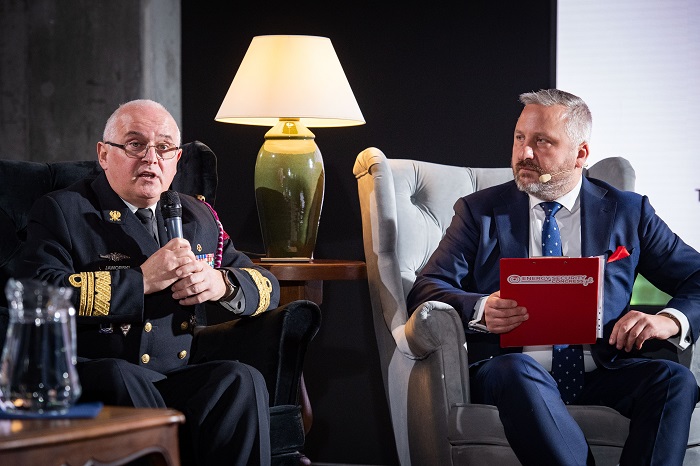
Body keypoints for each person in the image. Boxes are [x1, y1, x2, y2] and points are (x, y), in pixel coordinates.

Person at [406, 89, 700, 465]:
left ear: (580, 153)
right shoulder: (480, 211)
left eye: (542, 141)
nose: (524, 153)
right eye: (520, 138)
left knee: (675, 380)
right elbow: (427, 288)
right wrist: (481, 309)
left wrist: (669, 319)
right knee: (518, 370)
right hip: (511, 371)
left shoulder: (628, 211)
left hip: (602, 368)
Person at [19, 99, 280, 465]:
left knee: (240, 379)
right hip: (95, 372)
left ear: (176, 159)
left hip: (172, 374)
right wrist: (141, 280)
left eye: (164, 147)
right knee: (122, 375)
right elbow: (40, 293)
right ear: (104, 154)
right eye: (135, 144)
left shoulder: (198, 215)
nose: (151, 158)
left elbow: (266, 285)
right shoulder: (63, 210)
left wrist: (220, 283)